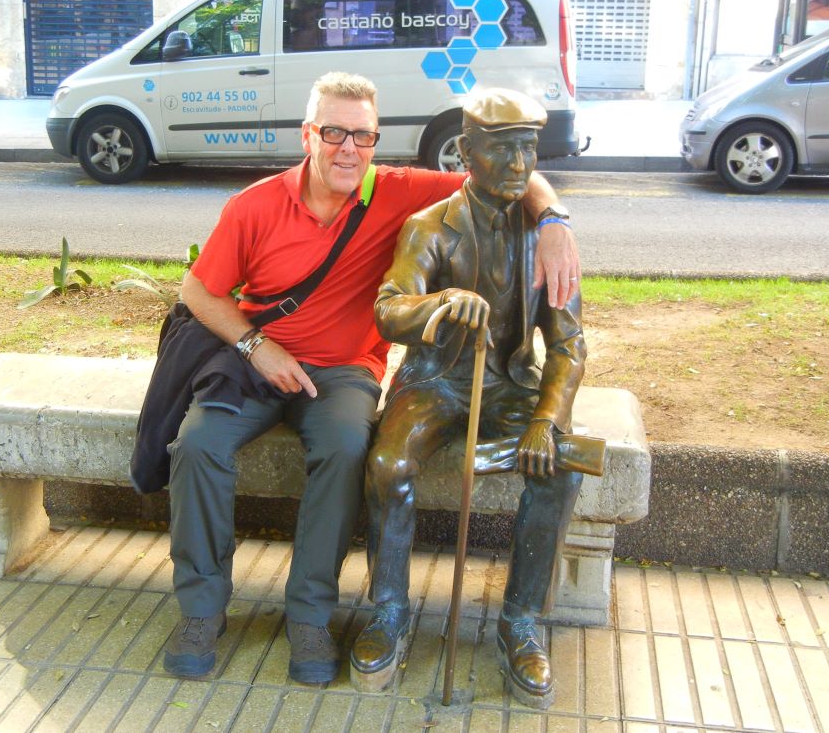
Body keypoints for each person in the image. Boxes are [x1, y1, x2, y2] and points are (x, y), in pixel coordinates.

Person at [161, 72, 580, 684]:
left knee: (345, 449)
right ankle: (201, 610)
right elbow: (198, 291)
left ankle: (311, 616)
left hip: (342, 373)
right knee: (197, 446)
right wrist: (256, 347)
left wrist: (555, 221)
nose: (349, 149)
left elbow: (512, 172)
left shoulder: (396, 192)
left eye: (363, 135)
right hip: (254, 364)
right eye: (334, 133)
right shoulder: (256, 205)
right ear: (309, 135)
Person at [351, 88, 597, 709]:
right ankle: (388, 609)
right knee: (388, 464)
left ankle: (521, 620)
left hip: (510, 384)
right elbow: (388, 310)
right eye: (502, 148)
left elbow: (568, 345)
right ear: (466, 151)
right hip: (435, 381)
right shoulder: (429, 229)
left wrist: (547, 419)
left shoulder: (546, 238)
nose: (519, 164)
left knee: (560, 468)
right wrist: (438, 305)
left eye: (528, 149)